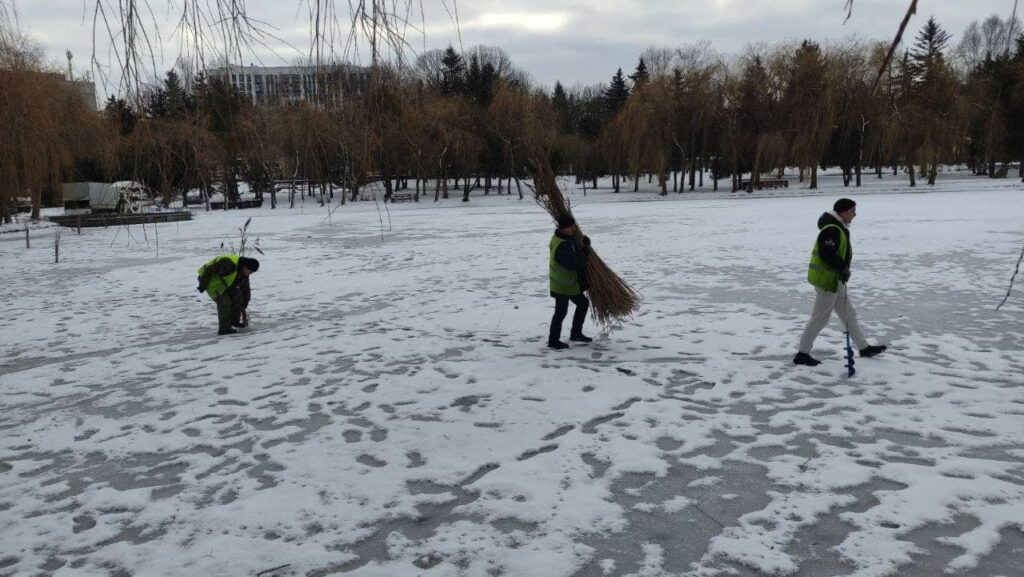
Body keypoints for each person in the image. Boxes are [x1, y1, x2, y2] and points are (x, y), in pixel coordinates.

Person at [794, 198, 886, 366]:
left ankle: (863, 347)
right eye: (852, 211)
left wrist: (843, 270)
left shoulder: (838, 227)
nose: (854, 215)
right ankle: (802, 353)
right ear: (842, 212)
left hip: (835, 280)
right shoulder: (832, 229)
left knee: (848, 314)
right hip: (827, 282)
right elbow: (826, 254)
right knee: (820, 318)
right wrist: (843, 267)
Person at [548, 215, 593, 349]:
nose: (574, 229)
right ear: (565, 227)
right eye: (572, 226)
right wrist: (585, 253)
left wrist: (584, 245)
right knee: (561, 312)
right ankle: (553, 341)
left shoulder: (562, 237)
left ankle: (576, 334)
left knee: (583, 303)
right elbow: (574, 265)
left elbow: (573, 250)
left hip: (567, 284)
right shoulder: (562, 245)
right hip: (563, 286)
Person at [197, 254, 260, 336]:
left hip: (222, 283)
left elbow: (245, 289)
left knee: (238, 296)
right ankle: (224, 329)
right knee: (224, 302)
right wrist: (202, 285)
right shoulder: (228, 264)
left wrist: (245, 303)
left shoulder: (243, 272)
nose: (250, 274)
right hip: (209, 281)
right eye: (250, 271)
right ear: (245, 267)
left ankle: (234, 321)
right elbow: (209, 270)